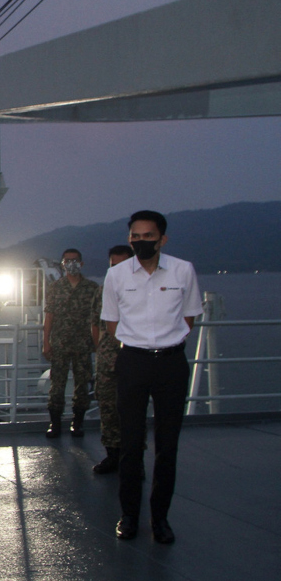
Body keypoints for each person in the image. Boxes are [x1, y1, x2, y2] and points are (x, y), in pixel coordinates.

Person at [101, 210, 202, 544]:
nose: (141, 241)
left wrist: (164, 341)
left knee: (167, 445)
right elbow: (112, 323)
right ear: (129, 238)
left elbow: (189, 317)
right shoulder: (116, 275)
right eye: (136, 236)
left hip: (171, 364)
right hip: (133, 362)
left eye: (148, 236)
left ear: (162, 239)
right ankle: (129, 516)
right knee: (130, 444)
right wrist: (140, 342)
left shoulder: (183, 270)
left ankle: (160, 519)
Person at [42, 248, 99, 438]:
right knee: (56, 385)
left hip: (83, 344)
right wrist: (46, 342)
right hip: (60, 343)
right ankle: (55, 423)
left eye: (74, 260)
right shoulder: (56, 287)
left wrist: (97, 344)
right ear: (62, 264)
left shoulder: (92, 288)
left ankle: (78, 423)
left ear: (81, 264)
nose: (71, 263)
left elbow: (96, 319)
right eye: (67, 260)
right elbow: (49, 316)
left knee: (82, 385)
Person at [90, 245, 134, 474]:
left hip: (134, 357)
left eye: (122, 265)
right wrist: (101, 351)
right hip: (107, 359)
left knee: (133, 409)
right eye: (113, 266)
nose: (117, 270)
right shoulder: (102, 291)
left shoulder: (142, 290)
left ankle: (134, 459)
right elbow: (95, 325)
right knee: (107, 407)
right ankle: (112, 455)